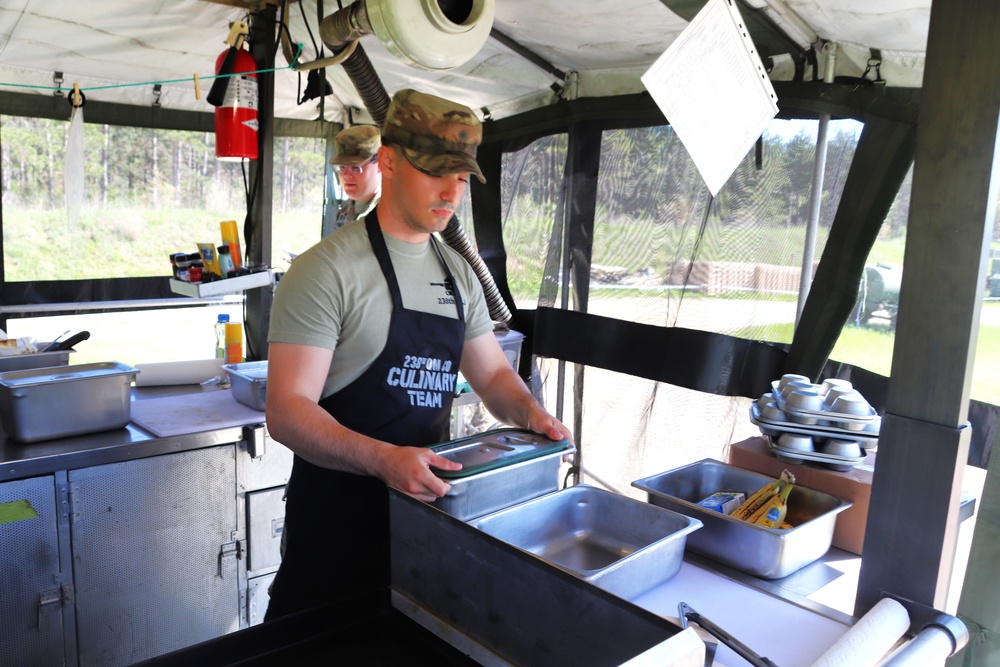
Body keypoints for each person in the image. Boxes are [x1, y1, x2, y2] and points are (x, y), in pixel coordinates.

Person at [264, 88, 573, 619]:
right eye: (436, 171)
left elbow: (493, 373)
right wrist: (383, 460)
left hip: (424, 530)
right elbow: (287, 411)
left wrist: (530, 412)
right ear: (388, 160)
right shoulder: (325, 271)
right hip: (334, 536)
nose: (451, 191)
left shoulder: (458, 274)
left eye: (461, 176)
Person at [330, 124, 381, 230]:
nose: (346, 175)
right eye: (342, 167)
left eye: (355, 168)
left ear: (380, 165)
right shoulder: (344, 211)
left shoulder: (392, 213)